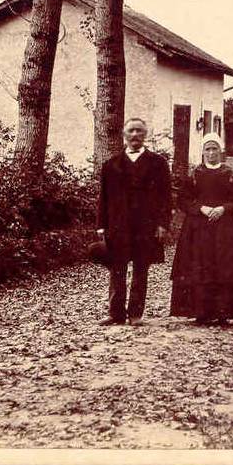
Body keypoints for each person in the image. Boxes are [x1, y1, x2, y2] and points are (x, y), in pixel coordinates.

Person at [96, 117, 172, 327]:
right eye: (131, 131)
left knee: (141, 268)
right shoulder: (110, 165)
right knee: (116, 268)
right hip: (118, 226)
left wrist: (163, 224)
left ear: (145, 134)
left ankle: (136, 314)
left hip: (145, 226)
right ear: (124, 135)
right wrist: (101, 226)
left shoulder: (158, 163)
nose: (135, 135)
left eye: (139, 131)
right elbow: (103, 198)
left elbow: (166, 197)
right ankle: (115, 313)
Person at [169, 133, 233, 325]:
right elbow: (183, 200)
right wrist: (201, 208)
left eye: (214, 149)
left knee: (224, 267)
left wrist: (223, 209)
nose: (211, 153)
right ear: (203, 152)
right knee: (199, 265)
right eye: (207, 149)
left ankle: (223, 312)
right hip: (198, 228)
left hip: (225, 229)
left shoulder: (231, 175)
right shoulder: (195, 174)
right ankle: (200, 311)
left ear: (221, 151)